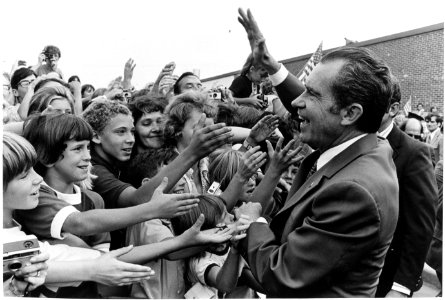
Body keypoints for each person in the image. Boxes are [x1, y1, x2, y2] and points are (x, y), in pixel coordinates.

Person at [234, 8, 398, 297]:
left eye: (311, 94)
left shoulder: (354, 191)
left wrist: (253, 222)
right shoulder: (364, 142)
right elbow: (323, 104)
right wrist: (273, 67)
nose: (297, 101)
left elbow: (282, 274)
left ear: (350, 113)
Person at [3, 131, 235, 298]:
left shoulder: (21, 238)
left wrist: (184, 241)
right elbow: (89, 261)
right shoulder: (16, 240)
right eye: (24, 175)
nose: (38, 179)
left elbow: (102, 261)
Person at [15, 113, 200, 250]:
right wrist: (152, 209)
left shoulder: (94, 199)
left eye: (88, 148)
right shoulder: (35, 198)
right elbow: (81, 223)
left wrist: (179, 242)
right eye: (78, 148)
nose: (88, 157)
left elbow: (104, 259)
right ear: (48, 156)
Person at [82, 99, 233, 249]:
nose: (130, 139)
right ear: (95, 136)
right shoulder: (92, 170)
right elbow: (138, 200)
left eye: (132, 132)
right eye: (121, 132)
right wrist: (192, 153)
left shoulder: (118, 158)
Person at [376, 78, 437, 297]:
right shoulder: (352, 140)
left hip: (385, 278)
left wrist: (401, 287)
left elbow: (420, 225)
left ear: (393, 109)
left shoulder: (414, 153)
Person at [171, 194, 260, 299]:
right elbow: (224, 284)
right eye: (224, 215)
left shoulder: (228, 242)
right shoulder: (200, 261)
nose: (231, 216)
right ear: (211, 227)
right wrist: (235, 250)